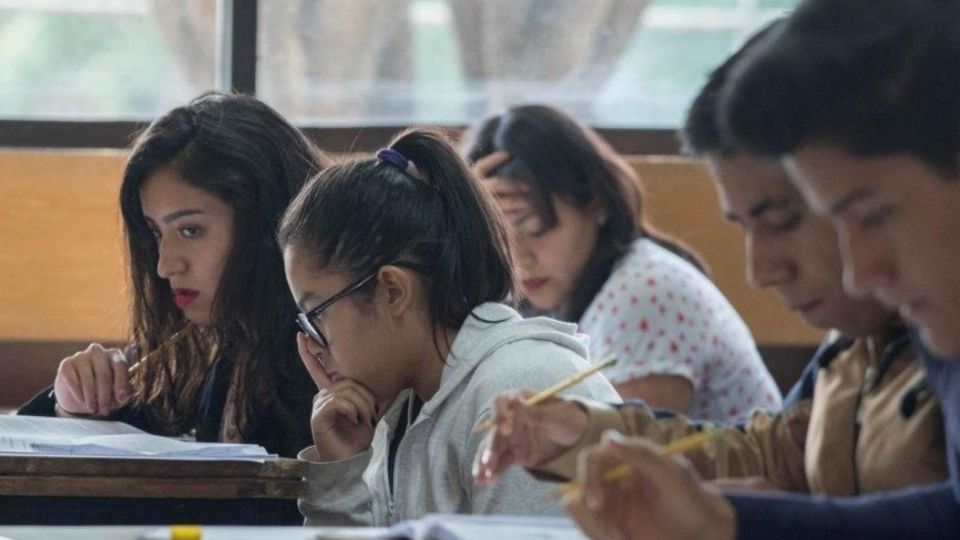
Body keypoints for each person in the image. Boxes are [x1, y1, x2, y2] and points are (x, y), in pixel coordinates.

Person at [472, 17, 947, 501]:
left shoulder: (641, 289)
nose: (760, 272)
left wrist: (745, 523)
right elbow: (776, 453)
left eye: (784, 219)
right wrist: (581, 430)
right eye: (742, 226)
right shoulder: (854, 345)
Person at [277, 128, 621, 526]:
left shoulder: (522, 388)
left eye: (317, 313)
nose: (311, 345)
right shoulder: (406, 407)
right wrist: (344, 470)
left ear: (392, 291)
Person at [18, 92, 327, 458]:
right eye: (155, 233)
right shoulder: (207, 346)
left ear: (267, 224)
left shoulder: (330, 361)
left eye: (191, 230)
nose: (165, 266)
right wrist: (73, 402)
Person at [464, 105, 780, 421]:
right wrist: (462, 218)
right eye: (499, 238)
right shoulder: (556, 292)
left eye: (536, 229)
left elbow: (617, 457)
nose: (520, 259)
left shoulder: (644, 293)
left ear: (596, 203)